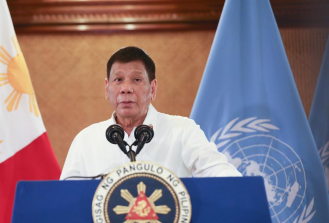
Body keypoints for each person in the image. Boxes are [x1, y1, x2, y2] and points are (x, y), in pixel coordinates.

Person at [60, 46, 241, 180]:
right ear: (107, 89)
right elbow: (67, 199)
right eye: (118, 80)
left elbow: (219, 172)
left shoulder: (183, 130)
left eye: (136, 79)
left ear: (153, 89)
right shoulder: (86, 140)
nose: (126, 88)